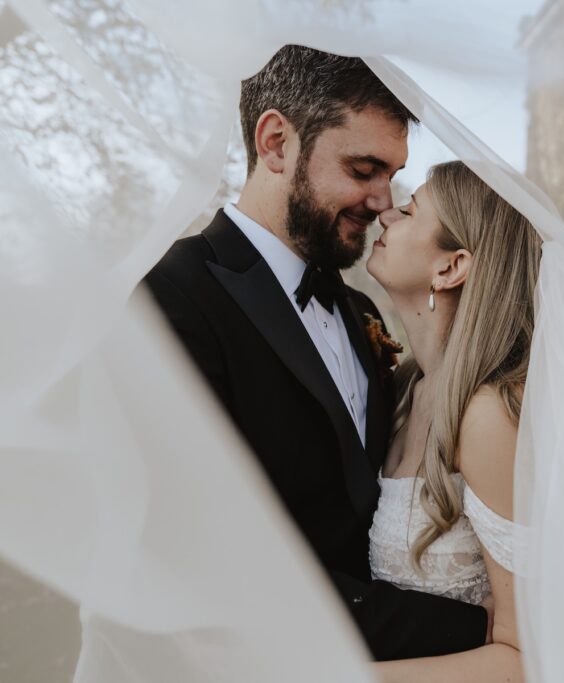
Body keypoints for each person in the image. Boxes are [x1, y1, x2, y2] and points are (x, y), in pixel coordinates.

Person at [143, 46, 488, 660]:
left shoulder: (361, 314)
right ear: (276, 142)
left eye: (393, 175)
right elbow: (203, 558)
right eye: (363, 170)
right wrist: (476, 632)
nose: (385, 201)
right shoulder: (172, 297)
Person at [366, 161, 542, 682]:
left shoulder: (485, 416)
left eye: (410, 210)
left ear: (450, 267)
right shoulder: (404, 391)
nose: (385, 215)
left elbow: (523, 657)